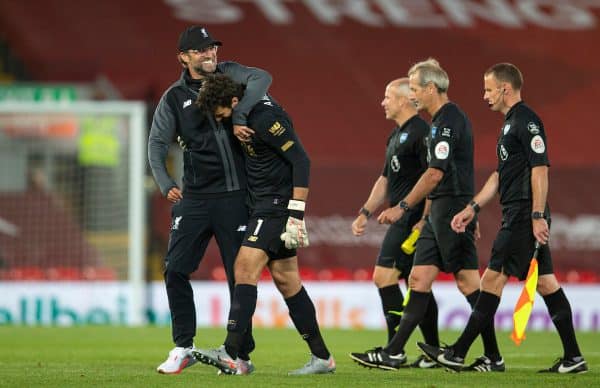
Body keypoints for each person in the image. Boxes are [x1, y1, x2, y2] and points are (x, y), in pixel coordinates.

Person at [418, 63, 588, 374]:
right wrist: (473, 207)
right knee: (547, 284)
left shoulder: (527, 121)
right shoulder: (510, 124)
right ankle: (573, 357)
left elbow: (540, 169)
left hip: (524, 214)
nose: (484, 96)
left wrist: (537, 215)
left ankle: (458, 353)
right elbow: (499, 176)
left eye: (488, 89)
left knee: (491, 280)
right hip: (520, 212)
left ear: (505, 89)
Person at [352, 59, 504, 372]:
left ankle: (492, 355)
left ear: (432, 89)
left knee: (468, 282)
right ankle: (394, 353)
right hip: (440, 209)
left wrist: (403, 207)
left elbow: (435, 173)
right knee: (419, 279)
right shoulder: (437, 121)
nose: (415, 94)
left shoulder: (448, 120)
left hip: (451, 209)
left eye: (418, 89)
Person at [192, 74, 335, 376]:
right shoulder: (242, 110)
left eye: (223, 115)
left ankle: (231, 353)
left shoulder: (265, 117)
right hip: (264, 204)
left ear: (234, 102)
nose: (222, 122)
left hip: (276, 205)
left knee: (244, 267)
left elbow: (301, 160)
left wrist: (295, 212)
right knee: (286, 280)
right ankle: (322, 357)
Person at [148, 26, 272, 374]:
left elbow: (263, 77)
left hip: (237, 196)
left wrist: (241, 113)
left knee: (240, 275)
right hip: (196, 197)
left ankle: (240, 354)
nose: (210, 54)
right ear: (184, 57)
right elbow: (157, 143)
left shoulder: (230, 73)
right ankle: (182, 346)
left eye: (212, 48)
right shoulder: (173, 97)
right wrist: (164, 181)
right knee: (175, 269)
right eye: (201, 51)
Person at [348, 78, 440, 369]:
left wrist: (425, 219)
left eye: (388, 97)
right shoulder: (396, 135)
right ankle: (432, 351)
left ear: (404, 100)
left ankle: (393, 350)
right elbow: (385, 178)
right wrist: (365, 211)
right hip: (401, 216)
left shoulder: (422, 133)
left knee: (384, 275)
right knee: (418, 284)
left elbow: (433, 179)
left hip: (411, 218)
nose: (383, 102)